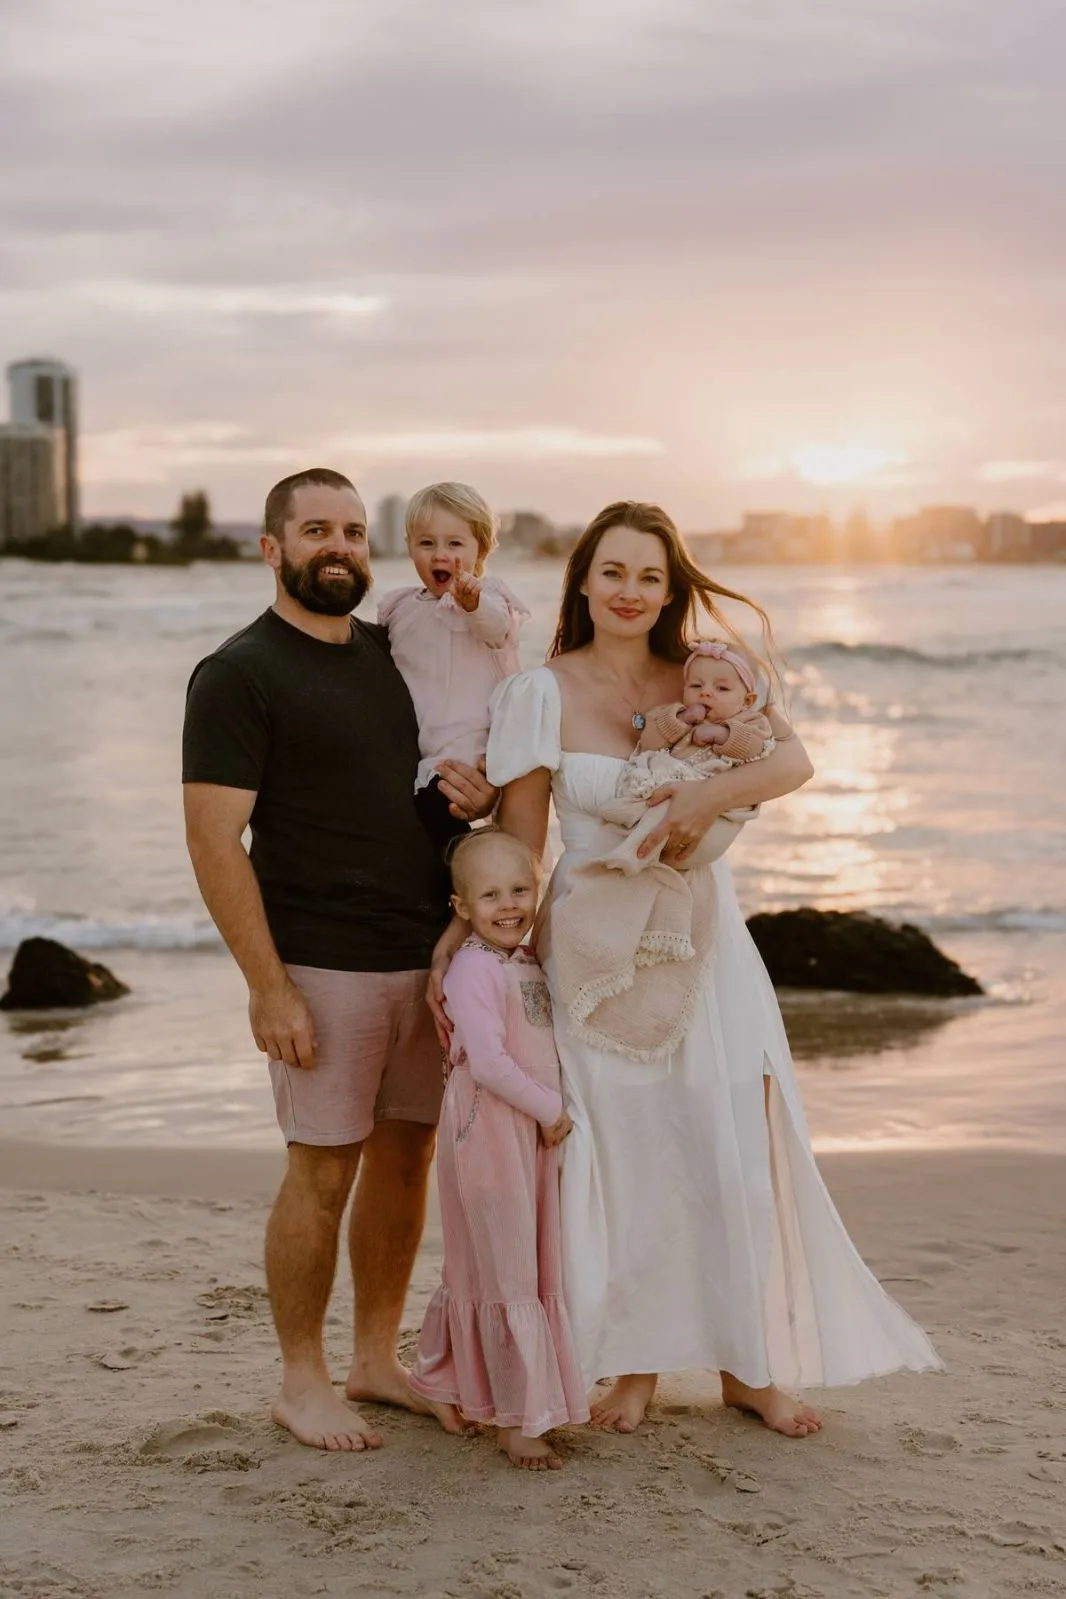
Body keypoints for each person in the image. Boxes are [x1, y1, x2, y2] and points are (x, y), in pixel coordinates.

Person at [431, 499, 941, 1439]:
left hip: (706, 942)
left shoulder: (708, 678)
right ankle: (635, 1363)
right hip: (590, 946)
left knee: (728, 1144)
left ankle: (749, 1365)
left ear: (671, 590)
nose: (631, 592)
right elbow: (523, 842)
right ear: (583, 580)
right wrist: (469, 940)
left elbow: (793, 763)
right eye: (614, 572)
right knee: (624, 1152)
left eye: (651, 576)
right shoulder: (540, 690)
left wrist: (708, 790)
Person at [182, 467, 496, 1453]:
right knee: (321, 1173)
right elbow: (211, 838)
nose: (340, 549)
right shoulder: (238, 673)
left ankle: (373, 1358)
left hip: (425, 956)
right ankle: (301, 1377)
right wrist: (267, 986)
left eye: (356, 532)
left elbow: (438, 750)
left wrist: (480, 796)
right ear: (271, 548)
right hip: (321, 964)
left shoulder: (393, 647)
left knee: (404, 1161)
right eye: (317, 530)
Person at [408, 830, 589, 1470]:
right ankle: (517, 1421)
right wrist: (550, 1111)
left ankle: (446, 1382)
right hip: (490, 1129)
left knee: (516, 1264)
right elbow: (485, 1060)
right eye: (490, 894)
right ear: (462, 908)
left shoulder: (525, 958)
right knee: (504, 1266)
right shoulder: (474, 967)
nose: (509, 903)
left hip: (530, 1132)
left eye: (520, 889)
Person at [377, 482, 528, 851]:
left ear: (482, 549)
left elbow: (497, 630)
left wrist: (473, 603)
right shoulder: (401, 608)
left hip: (471, 745)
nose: (440, 554)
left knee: (443, 813)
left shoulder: (486, 600)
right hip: (421, 745)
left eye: (455, 544)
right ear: (409, 546)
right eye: (426, 543)